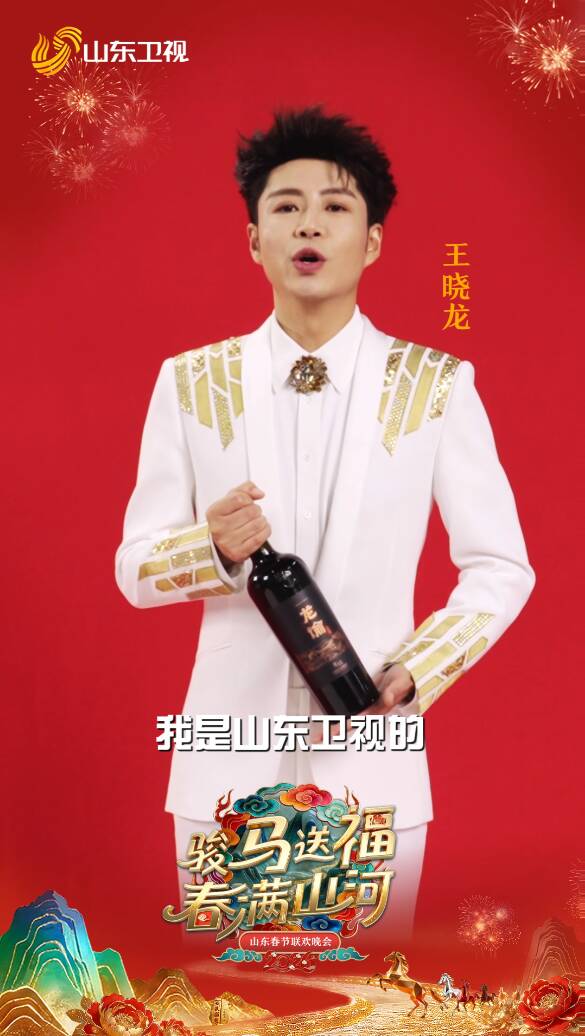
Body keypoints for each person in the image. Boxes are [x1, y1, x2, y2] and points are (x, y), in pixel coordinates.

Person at [114, 105, 535, 948]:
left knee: (367, 995)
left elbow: (500, 565)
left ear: (371, 241)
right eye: (286, 205)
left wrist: (417, 669)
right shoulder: (191, 381)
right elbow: (134, 568)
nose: (309, 223)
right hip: (226, 764)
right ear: (254, 239)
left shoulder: (435, 385)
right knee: (227, 998)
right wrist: (209, 547)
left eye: (335, 207)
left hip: (371, 757)